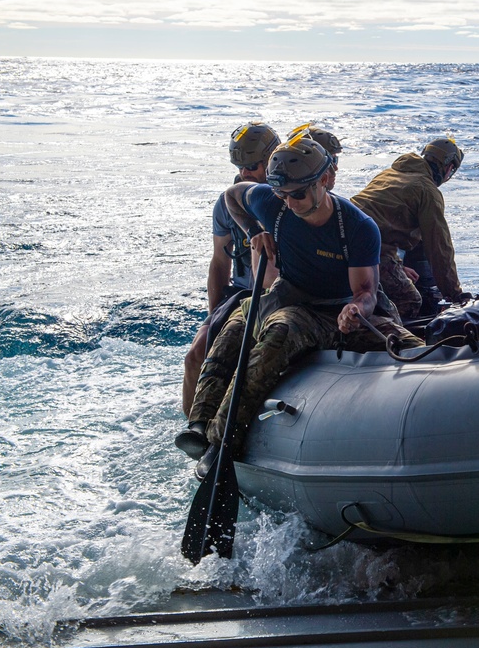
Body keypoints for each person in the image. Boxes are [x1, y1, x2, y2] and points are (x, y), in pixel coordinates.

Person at [175, 135, 423, 479]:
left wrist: (357, 309)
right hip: (295, 305)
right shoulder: (271, 205)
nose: (290, 203)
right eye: (283, 194)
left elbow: (366, 291)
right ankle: (219, 443)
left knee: (413, 348)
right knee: (269, 330)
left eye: (299, 194)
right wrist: (254, 230)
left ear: (325, 180)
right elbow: (232, 197)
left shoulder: (357, 227)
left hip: (339, 309)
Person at [181, 121, 280, 417]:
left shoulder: (289, 197)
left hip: (280, 292)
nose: (244, 174)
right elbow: (219, 262)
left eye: (252, 166)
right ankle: (194, 431)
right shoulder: (226, 204)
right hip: (239, 294)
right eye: (240, 167)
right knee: (196, 354)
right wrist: (213, 315)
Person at [351, 137, 469, 320]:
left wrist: (398, 265)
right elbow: (439, 248)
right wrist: (455, 294)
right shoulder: (428, 191)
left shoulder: (389, 174)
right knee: (410, 299)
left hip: (343, 240)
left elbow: (381, 220)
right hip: (372, 252)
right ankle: (388, 338)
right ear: (448, 168)